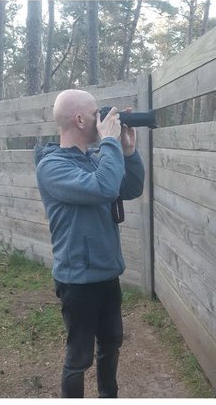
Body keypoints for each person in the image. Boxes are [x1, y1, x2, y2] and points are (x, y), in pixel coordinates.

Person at [34, 90, 146, 398]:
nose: (103, 119)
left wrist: (127, 151)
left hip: (107, 273)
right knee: (79, 358)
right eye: (97, 113)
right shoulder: (52, 167)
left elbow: (131, 188)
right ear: (80, 119)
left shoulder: (95, 160)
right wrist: (109, 142)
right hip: (77, 280)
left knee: (111, 344)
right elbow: (105, 187)